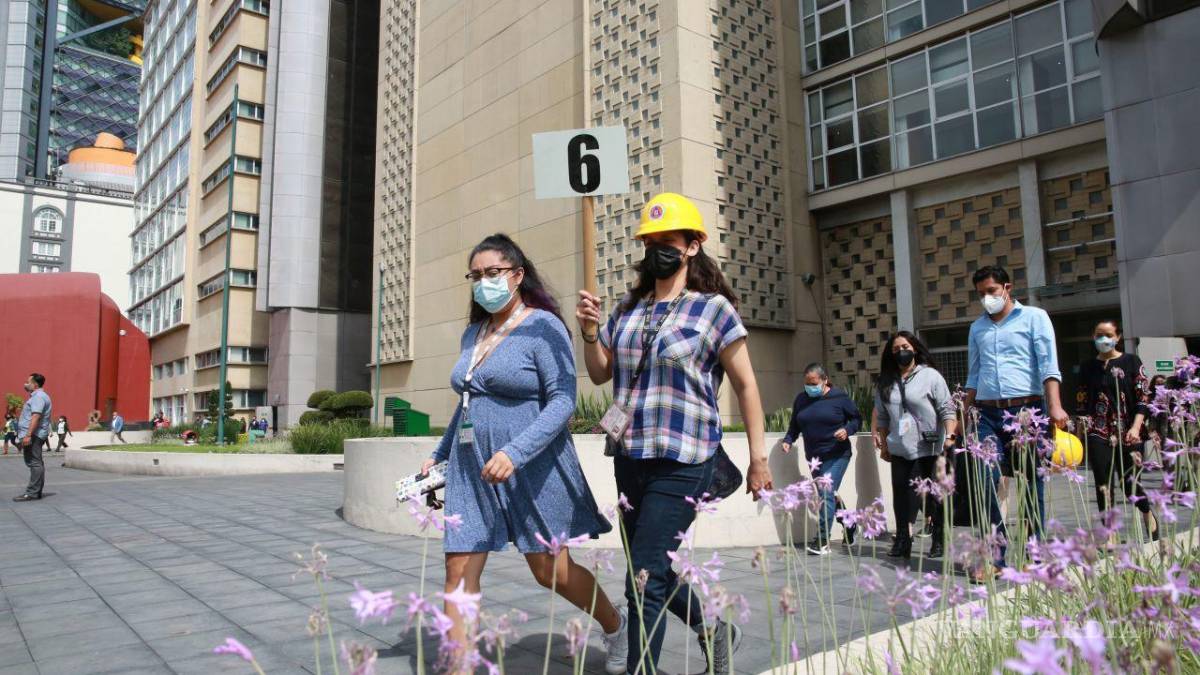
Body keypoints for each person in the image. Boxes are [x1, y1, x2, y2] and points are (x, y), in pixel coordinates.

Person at [576, 193, 775, 675]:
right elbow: (601, 373)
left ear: (692, 246)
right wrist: (590, 332)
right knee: (651, 568)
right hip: (630, 456)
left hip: (685, 459)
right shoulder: (629, 307)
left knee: (642, 580)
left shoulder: (713, 310)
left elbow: (747, 386)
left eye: (669, 240)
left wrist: (758, 458)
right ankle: (714, 629)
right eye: (651, 241)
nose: (658, 249)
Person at [420, 234, 627, 674]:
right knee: (458, 567)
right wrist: (438, 455)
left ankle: (616, 625)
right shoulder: (473, 333)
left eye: (492, 272)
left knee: (551, 571)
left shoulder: (543, 327)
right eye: (476, 275)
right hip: (471, 467)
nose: (484, 282)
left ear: (516, 275)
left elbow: (562, 401)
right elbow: (467, 403)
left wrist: (515, 453)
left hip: (532, 464)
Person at [964, 265, 1067, 578]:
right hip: (986, 413)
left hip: (1027, 410)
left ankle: (1035, 556)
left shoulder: (1035, 317)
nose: (987, 298)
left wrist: (1055, 406)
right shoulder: (977, 328)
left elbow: (1048, 365)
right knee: (984, 480)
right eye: (981, 293)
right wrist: (963, 414)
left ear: (1007, 288)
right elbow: (974, 374)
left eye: (991, 291)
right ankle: (994, 558)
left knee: (1031, 483)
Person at [873, 332, 958, 559]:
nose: (901, 352)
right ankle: (903, 539)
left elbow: (947, 408)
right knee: (902, 495)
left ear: (915, 349)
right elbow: (882, 417)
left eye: (905, 346)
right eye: (896, 349)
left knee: (935, 496)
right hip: (900, 448)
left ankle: (939, 539)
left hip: (931, 447)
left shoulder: (930, 376)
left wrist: (950, 436)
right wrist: (884, 445)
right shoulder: (885, 382)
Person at [1074, 320, 1158, 541]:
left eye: (1108, 334)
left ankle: (1147, 513)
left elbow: (1143, 397)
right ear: (1093, 337)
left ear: (1118, 337)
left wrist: (1136, 427)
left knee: (1130, 483)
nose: (1103, 339)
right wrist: (1079, 435)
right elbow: (1082, 400)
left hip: (1129, 430)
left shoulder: (1131, 361)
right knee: (1103, 482)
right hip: (1098, 430)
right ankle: (1109, 532)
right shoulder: (1087, 367)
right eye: (1099, 334)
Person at [781, 364, 863, 555]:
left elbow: (856, 419)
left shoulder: (839, 398)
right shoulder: (801, 399)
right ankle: (850, 523)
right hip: (814, 458)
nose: (810, 387)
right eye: (807, 384)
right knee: (829, 495)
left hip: (837, 454)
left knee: (826, 492)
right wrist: (788, 440)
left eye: (814, 383)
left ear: (825, 380)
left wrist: (847, 430)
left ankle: (822, 540)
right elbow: (795, 425)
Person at [14, 373, 52, 501]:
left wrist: (28, 435)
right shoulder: (39, 396)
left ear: (35, 384)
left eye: (28, 382)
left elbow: (36, 416)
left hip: (34, 435)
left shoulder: (38, 397)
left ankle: (32, 493)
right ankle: (36, 491)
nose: (25, 384)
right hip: (35, 434)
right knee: (36, 462)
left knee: (34, 463)